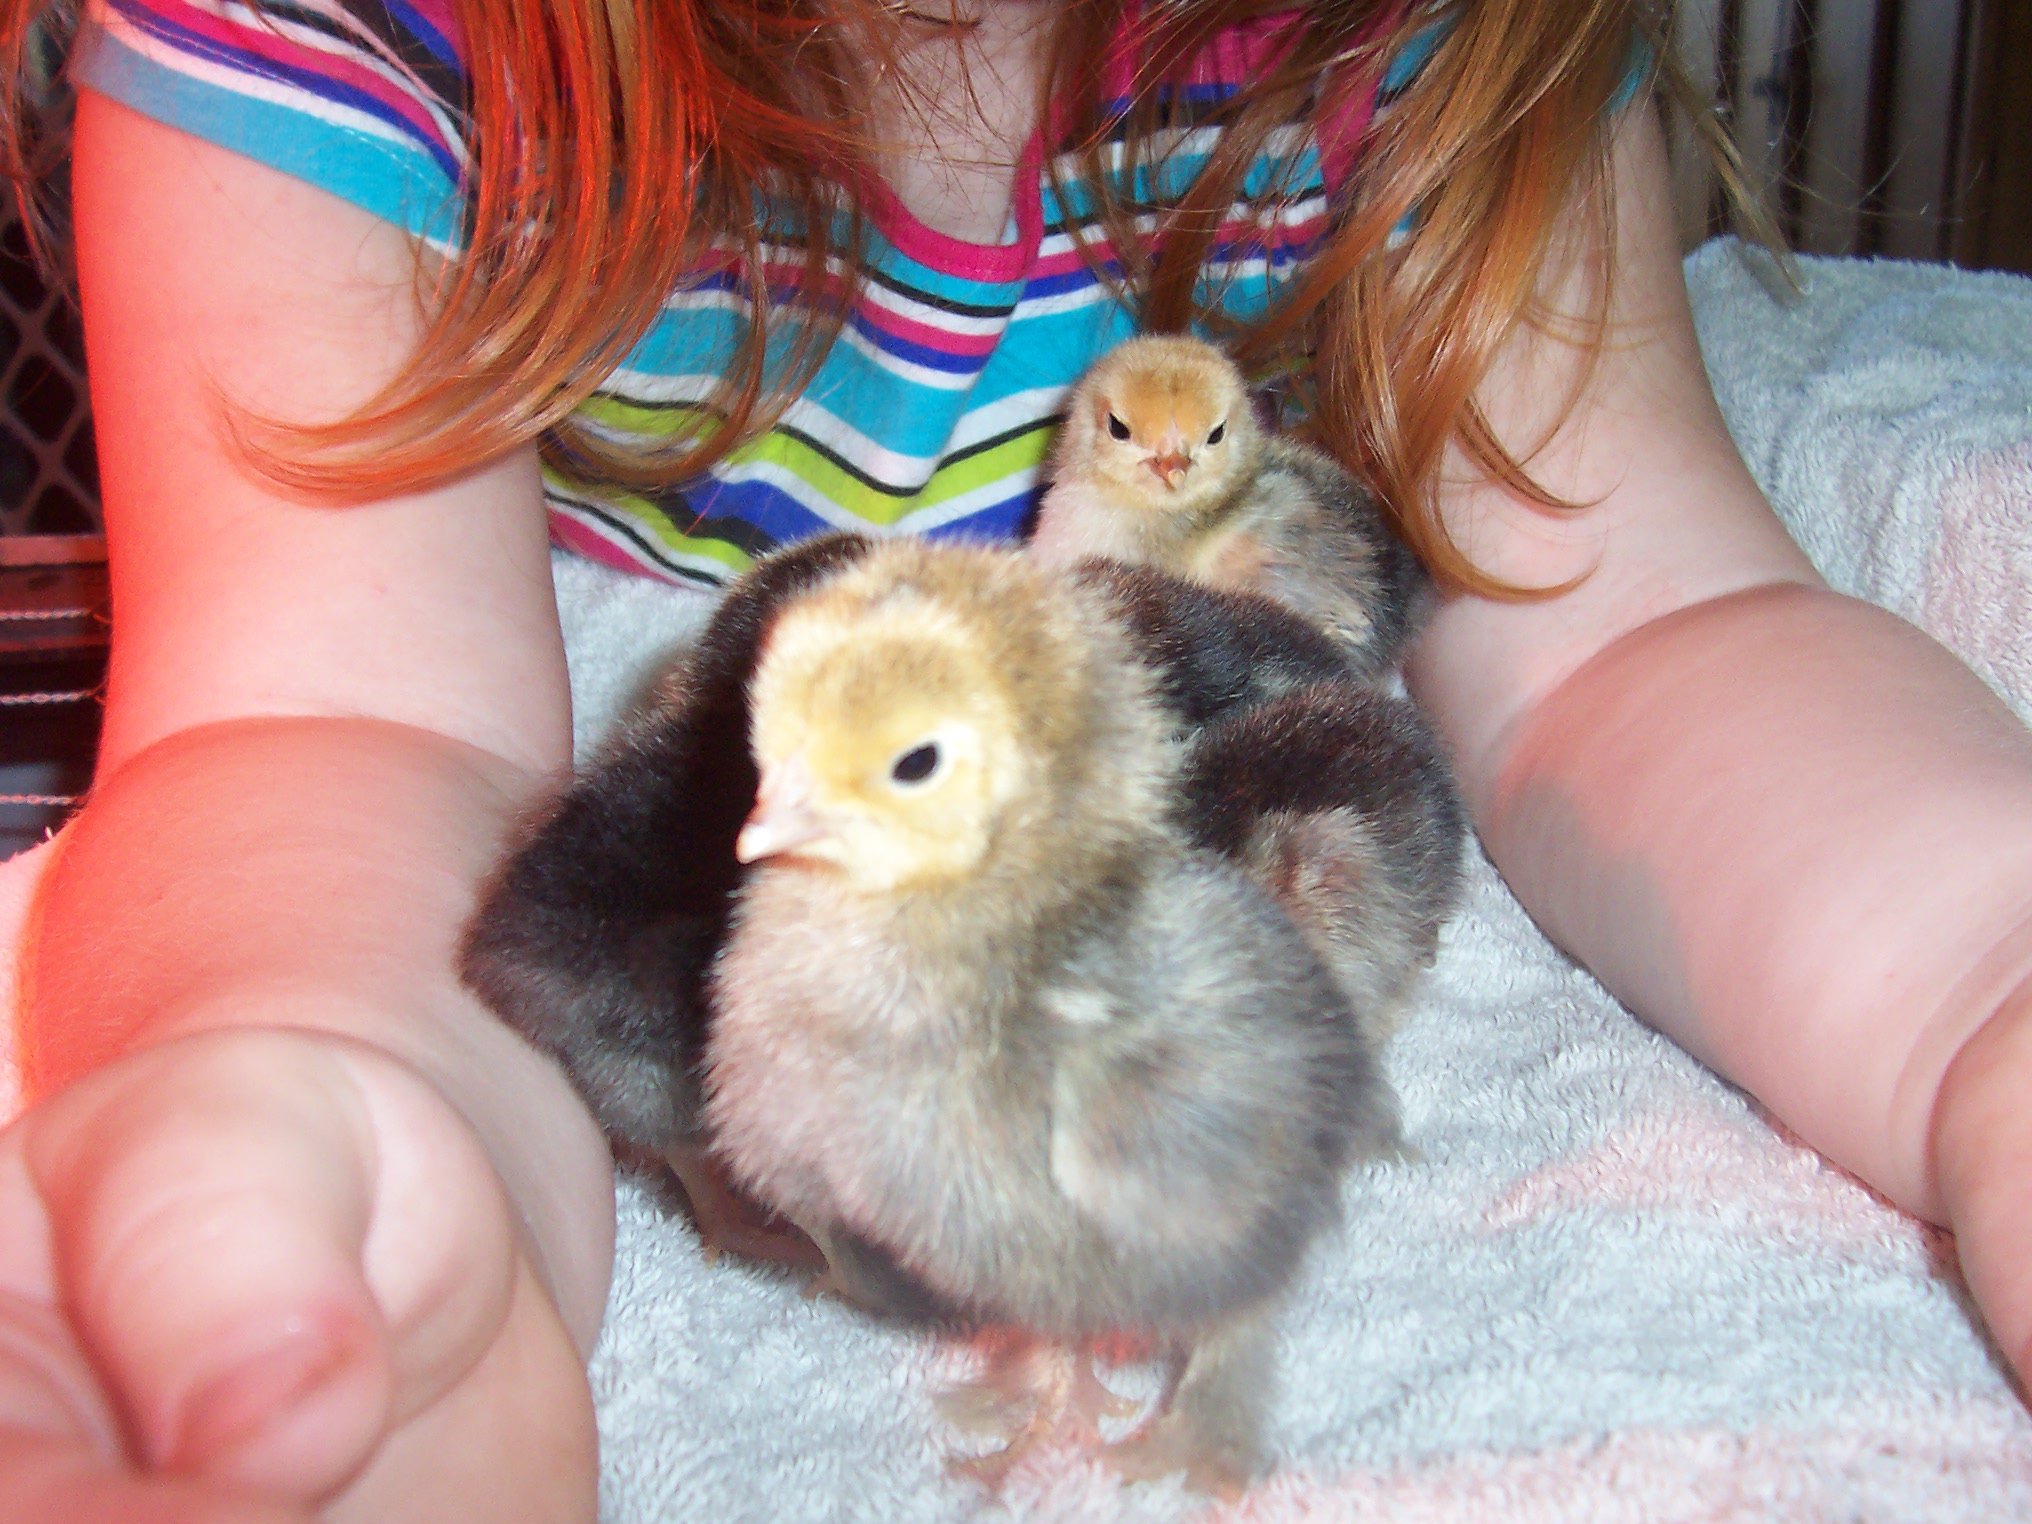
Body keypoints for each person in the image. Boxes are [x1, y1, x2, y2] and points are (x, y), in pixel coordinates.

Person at [1, 1, 2028, 1519]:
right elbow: (337, 729)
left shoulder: (1422, 44)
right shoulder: (330, 42)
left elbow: (1642, 634)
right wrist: (370, 1140)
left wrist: (1988, 995)